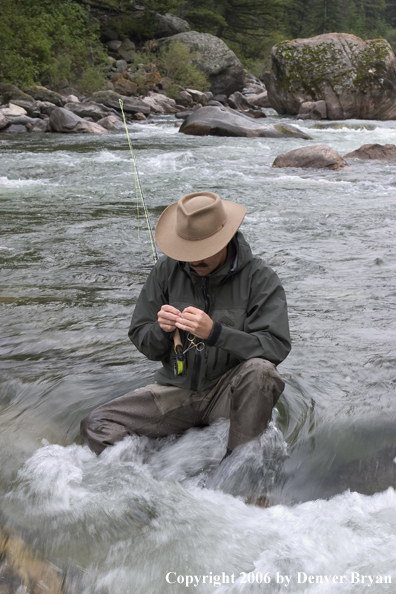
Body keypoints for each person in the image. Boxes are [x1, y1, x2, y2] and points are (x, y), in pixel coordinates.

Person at [80, 191, 291, 457]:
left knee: (262, 371)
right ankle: (155, 481)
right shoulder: (165, 272)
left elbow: (275, 348)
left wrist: (216, 333)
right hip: (175, 392)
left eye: (203, 251)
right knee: (96, 425)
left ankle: (237, 471)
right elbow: (145, 342)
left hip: (229, 396)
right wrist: (161, 331)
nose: (194, 260)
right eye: (188, 250)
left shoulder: (260, 278)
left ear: (225, 241)